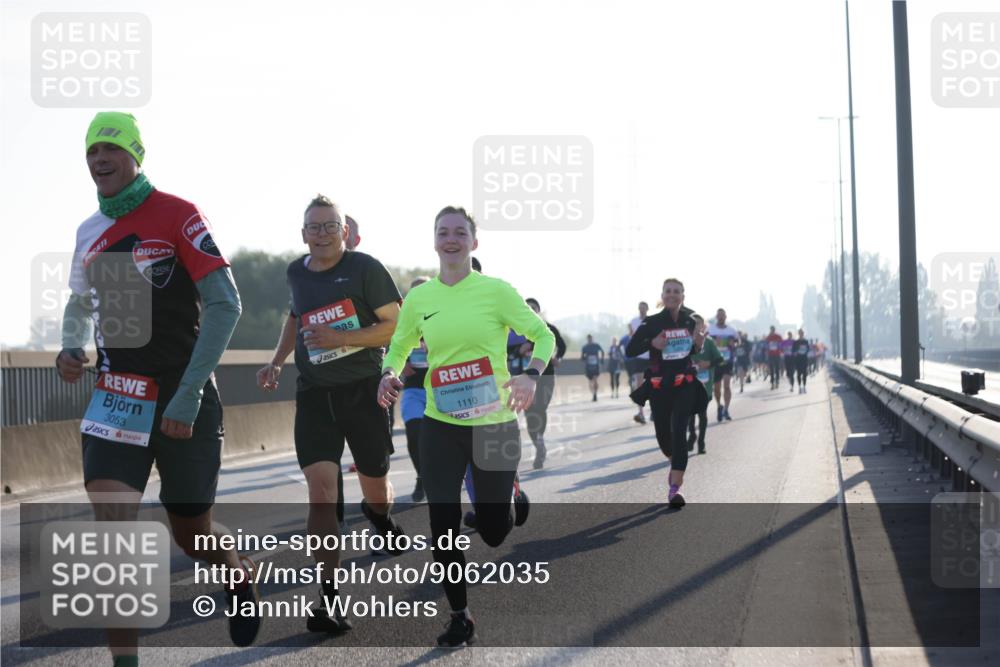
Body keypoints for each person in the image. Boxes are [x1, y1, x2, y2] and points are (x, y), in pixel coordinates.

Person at [56, 112, 258, 664]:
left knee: (192, 533)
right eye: (92, 150)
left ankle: (235, 573)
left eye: (111, 148)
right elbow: (79, 304)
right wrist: (74, 347)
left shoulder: (177, 213)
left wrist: (189, 392)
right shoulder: (88, 232)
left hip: (182, 391)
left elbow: (225, 304)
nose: (100, 158)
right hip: (117, 393)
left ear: (136, 155)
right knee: (113, 534)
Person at [377, 206, 555, 648]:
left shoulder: (495, 292)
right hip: (441, 424)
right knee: (443, 521)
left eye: (460, 233)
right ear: (434, 240)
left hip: (493, 423)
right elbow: (398, 345)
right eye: (443, 232)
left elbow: (544, 335)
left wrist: (530, 374)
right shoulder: (419, 298)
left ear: (474, 243)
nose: (451, 239)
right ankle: (461, 616)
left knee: (495, 531)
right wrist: (388, 372)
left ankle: (509, 496)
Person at [256, 194, 405, 634]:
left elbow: (396, 326)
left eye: (330, 226)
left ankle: (378, 515)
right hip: (315, 395)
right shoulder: (295, 272)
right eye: (314, 227)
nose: (322, 234)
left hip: (363, 390)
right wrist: (278, 359)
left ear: (344, 231)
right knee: (321, 494)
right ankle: (328, 599)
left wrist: (343, 337)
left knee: (375, 487)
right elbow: (295, 318)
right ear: (303, 235)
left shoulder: (366, 269)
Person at [626, 279, 707, 508]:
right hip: (661, 386)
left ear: (683, 295)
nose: (672, 295)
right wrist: (652, 342)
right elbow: (630, 350)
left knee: (680, 429)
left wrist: (699, 345)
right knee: (664, 436)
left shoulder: (692, 319)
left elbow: (694, 348)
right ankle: (674, 463)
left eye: (677, 292)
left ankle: (674, 490)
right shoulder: (651, 322)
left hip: (684, 383)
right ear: (662, 295)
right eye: (668, 291)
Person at [520, 298, 566, 469]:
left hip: (546, 376)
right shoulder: (517, 330)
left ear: (538, 310)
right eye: (528, 308)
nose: (531, 310)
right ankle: (538, 445)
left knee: (540, 408)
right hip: (524, 378)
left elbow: (562, 346)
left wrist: (557, 358)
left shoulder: (549, 328)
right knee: (529, 412)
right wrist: (519, 351)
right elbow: (506, 351)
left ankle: (540, 437)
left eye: (534, 308)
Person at [400, 277, 432, 500]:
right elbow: (386, 346)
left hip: (441, 388)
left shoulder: (443, 316)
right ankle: (422, 477)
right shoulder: (402, 319)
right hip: (413, 388)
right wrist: (401, 363)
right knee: (413, 434)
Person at [688, 315, 724, 454]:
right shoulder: (685, 342)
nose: (696, 326)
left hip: (705, 385)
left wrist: (708, 363)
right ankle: (692, 436)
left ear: (703, 326)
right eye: (693, 324)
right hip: (689, 383)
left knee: (702, 414)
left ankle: (701, 442)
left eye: (698, 324)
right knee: (690, 415)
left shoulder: (708, 342)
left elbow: (719, 359)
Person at [707, 308, 738, 421]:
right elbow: (704, 342)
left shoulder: (732, 330)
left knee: (726, 385)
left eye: (722, 315)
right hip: (715, 361)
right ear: (716, 317)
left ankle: (726, 409)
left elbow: (737, 342)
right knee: (716, 388)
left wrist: (733, 343)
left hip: (728, 361)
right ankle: (719, 406)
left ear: (725, 316)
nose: (720, 317)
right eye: (718, 315)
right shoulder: (710, 330)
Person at [626, 301, 651, 423]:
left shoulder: (652, 320)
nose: (642, 310)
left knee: (653, 384)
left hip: (651, 356)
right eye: (640, 308)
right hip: (639, 357)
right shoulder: (633, 322)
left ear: (647, 309)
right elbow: (631, 337)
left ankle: (653, 410)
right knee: (638, 384)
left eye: (644, 308)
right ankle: (641, 413)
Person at [581, 334, 604, 401]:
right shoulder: (585, 347)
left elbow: (602, 351)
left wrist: (602, 359)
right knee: (591, 381)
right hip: (588, 367)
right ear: (587, 339)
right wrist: (585, 358)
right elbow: (582, 357)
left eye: (591, 339)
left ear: (592, 339)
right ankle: (593, 393)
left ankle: (595, 394)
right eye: (589, 339)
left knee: (595, 379)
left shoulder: (596, 345)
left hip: (596, 365)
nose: (590, 340)